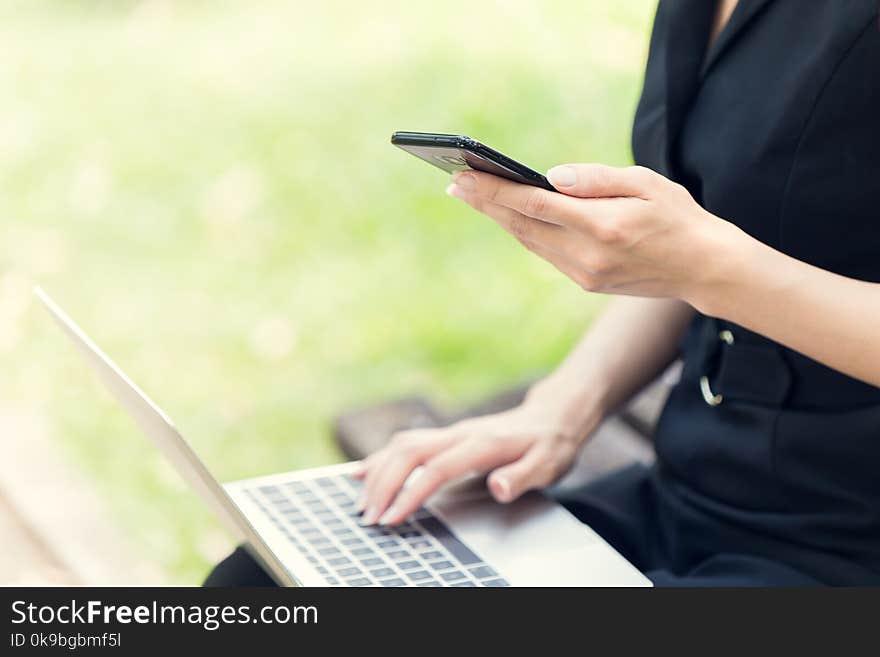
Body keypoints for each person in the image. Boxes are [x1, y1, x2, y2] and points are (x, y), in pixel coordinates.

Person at [206, 0, 880, 586]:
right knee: (256, 582)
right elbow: (712, 235)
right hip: (693, 489)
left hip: (843, 540)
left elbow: (709, 259)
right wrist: (557, 409)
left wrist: (707, 266)